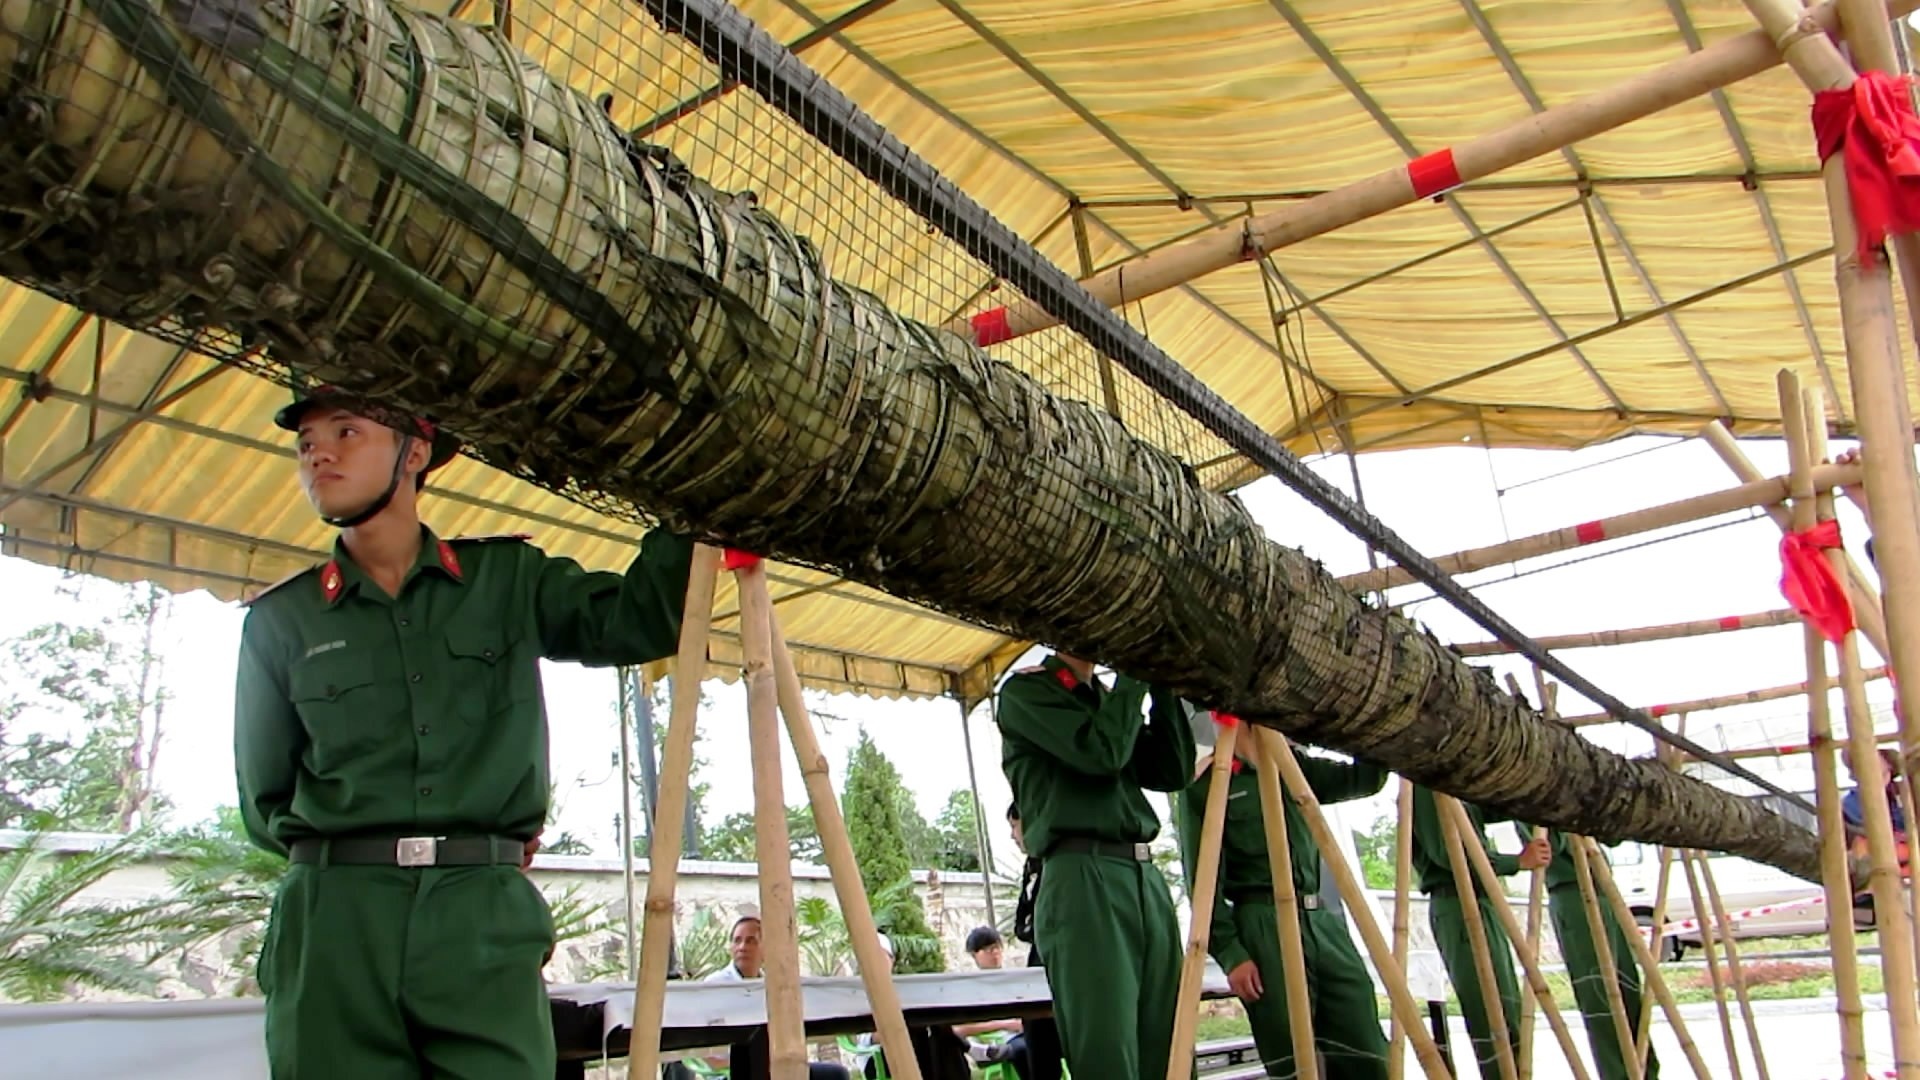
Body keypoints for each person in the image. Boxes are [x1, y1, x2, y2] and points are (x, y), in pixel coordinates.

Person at [233, 384, 697, 1078]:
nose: (318, 454)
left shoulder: (506, 579)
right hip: (335, 921)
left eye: (347, 432)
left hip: (478, 913)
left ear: (415, 451)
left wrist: (694, 499)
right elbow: (265, 798)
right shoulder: (280, 621)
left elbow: (639, 621)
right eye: (305, 444)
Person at [995, 651, 1196, 1079]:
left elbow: (1171, 770)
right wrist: (1132, 681)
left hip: (1143, 873)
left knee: (1171, 1046)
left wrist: (1162, 685)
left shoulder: (1107, 697)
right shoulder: (1026, 692)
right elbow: (1100, 753)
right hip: (1082, 874)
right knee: (1108, 1049)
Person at [1178, 717, 1390, 1078]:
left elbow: (1366, 779)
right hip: (1263, 925)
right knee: (1291, 1057)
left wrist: (1361, 725)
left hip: (1320, 919)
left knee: (1366, 1049)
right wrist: (1232, 954)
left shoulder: (1295, 768)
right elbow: (1202, 882)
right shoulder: (1209, 784)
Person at [1408, 786, 1551, 1080]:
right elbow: (1451, 853)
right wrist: (1516, 861)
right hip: (1460, 902)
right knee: (1492, 1015)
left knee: (1507, 1013)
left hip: (1480, 899)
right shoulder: (1426, 782)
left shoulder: (1455, 780)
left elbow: (1487, 805)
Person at [1521, 828, 1659, 1080]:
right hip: (1574, 893)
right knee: (1602, 999)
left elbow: (1612, 835)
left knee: (1629, 993)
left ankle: (1645, 1071)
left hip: (1603, 889)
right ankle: (1618, 1074)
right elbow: (1550, 844)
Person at [704, 914, 851, 1079]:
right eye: (737, 940)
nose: (742, 947)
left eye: (751, 941)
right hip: (735, 1070)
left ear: (766, 948)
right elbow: (704, 1045)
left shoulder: (774, 985)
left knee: (836, 1074)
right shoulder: (715, 984)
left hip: (776, 1063)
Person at [1007, 803, 1065, 1080]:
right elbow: (1023, 924)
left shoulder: (1057, 865)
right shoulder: (1032, 868)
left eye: (1014, 826)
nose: (1012, 835)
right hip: (1039, 969)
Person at [954, 926, 1031, 1076]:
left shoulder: (1015, 979)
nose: (995, 953)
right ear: (974, 955)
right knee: (1025, 1050)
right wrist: (1005, 1024)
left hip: (1024, 1031)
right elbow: (958, 1030)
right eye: (988, 949)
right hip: (999, 1040)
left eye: (997, 947)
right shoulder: (970, 988)